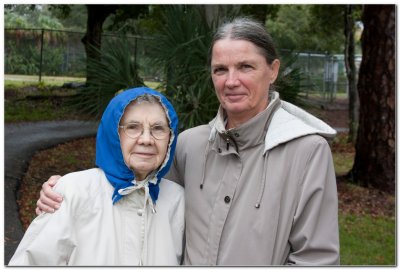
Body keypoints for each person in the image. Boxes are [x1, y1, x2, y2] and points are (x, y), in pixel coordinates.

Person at [35, 17, 340, 265]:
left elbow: (316, 259)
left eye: (245, 67)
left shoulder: (308, 151)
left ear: (272, 71)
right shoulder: (188, 145)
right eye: (220, 70)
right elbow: (137, 195)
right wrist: (66, 192)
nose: (231, 81)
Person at [10, 87, 184, 265]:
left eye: (158, 129)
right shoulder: (73, 192)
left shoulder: (178, 200)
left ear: (170, 137)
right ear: (113, 133)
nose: (146, 139)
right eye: (133, 127)